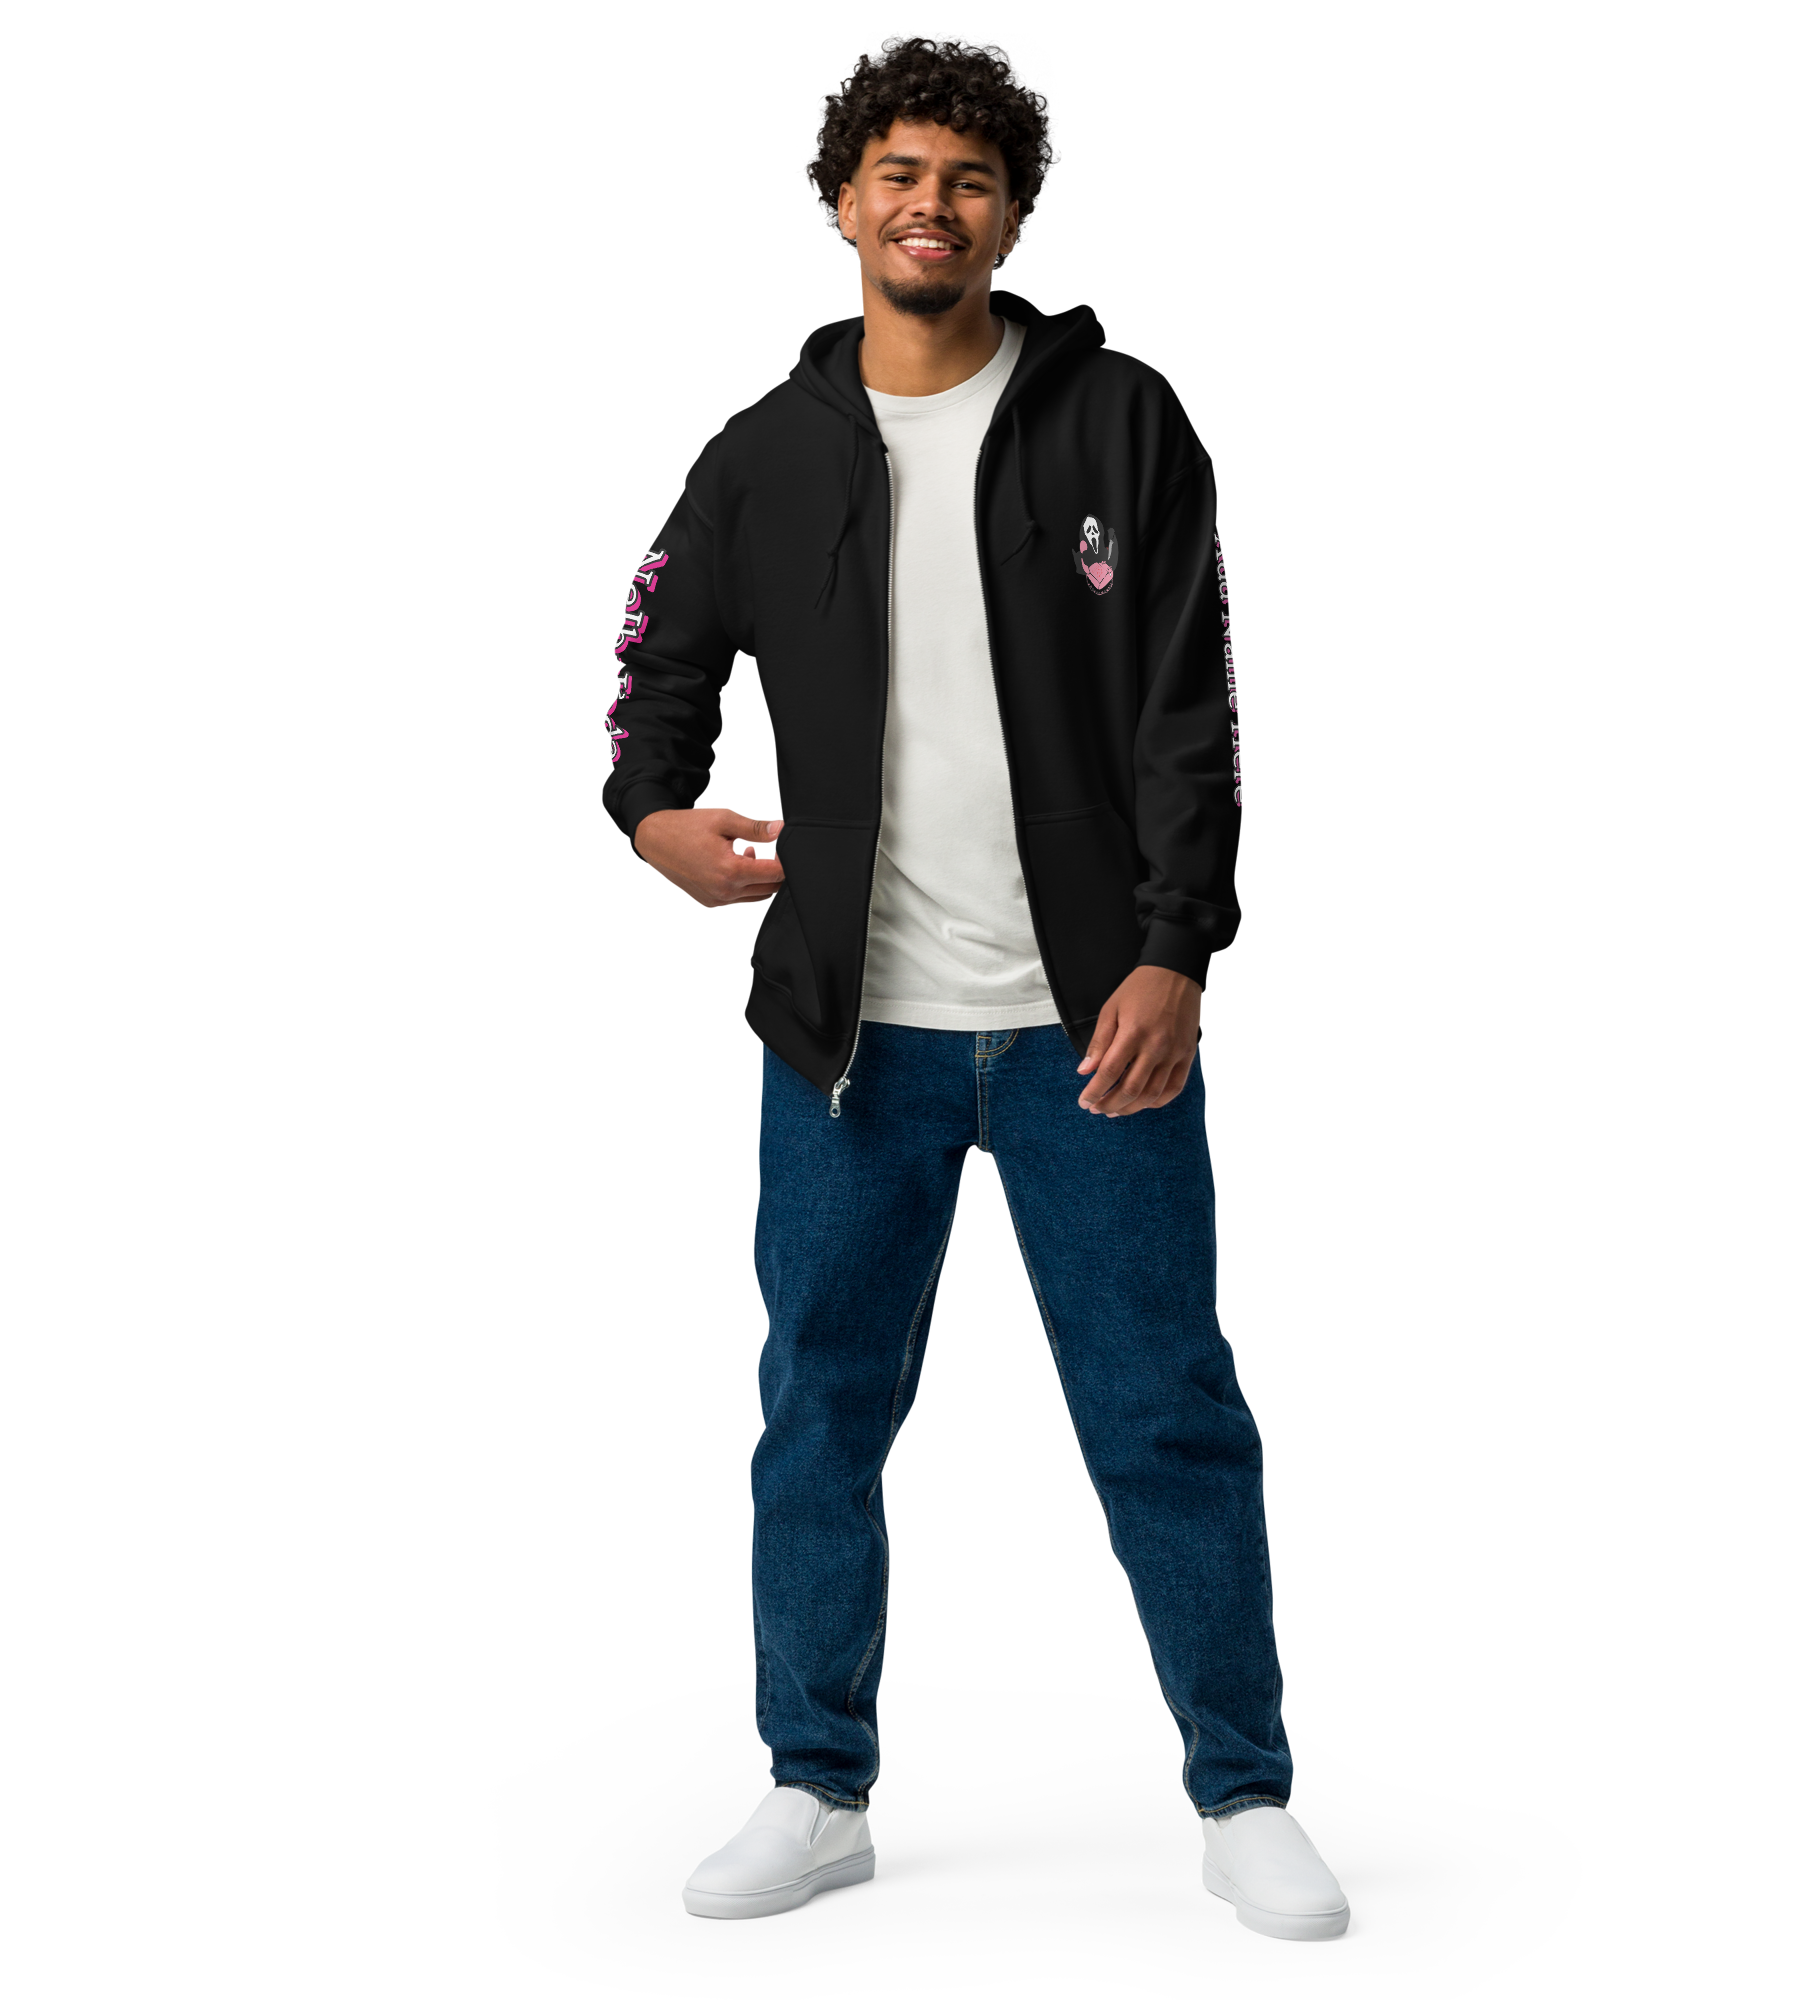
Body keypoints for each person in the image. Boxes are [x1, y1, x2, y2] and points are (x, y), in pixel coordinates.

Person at [603, 20, 1349, 1943]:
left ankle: (1245, 1793)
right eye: (901, 175)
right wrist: (653, 814)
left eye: (972, 180)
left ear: (1016, 217)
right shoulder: (763, 451)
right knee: (817, 1411)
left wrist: (1176, 948)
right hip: (844, 1037)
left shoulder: (1124, 418)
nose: (932, 205)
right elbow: (657, 663)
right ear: (844, 203)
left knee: (1167, 1409)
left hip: (1092, 1027)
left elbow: (1196, 712)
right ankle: (813, 1783)